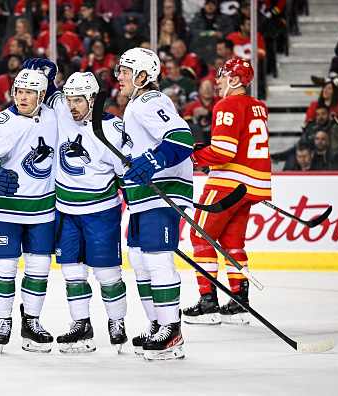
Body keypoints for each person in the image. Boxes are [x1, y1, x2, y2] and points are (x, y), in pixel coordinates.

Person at [26, 60, 129, 353]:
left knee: (108, 273)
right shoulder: (61, 109)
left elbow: (125, 175)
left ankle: (116, 321)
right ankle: (80, 324)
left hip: (101, 212)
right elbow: (44, 94)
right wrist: (41, 74)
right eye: (69, 99)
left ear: (93, 99)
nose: (72, 105)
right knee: (72, 271)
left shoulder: (112, 128)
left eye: (78, 100)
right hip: (66, 211)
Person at [115, 48, 194, 361]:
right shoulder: (136, 104)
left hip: (163, 191)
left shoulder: (150, 101)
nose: (118, 76)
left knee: (157, 258)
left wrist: (154, 159)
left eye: (125, 71)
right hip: (143, 195)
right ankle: (157, 323)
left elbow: (181, 138)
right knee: (139, 258)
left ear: (142, 76)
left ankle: (171, 331)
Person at [0, 68, 57, 354]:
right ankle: (2, 320)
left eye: (29, 92)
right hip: (4, 211)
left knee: (39, 269)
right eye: (19, 91)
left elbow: (73, 108)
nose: (22, 97)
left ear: (42, 95)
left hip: (43, 210)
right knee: (4, 269)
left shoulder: (53, 116)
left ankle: (31, 321)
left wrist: (53, 81)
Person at [185, 58, 271, 326]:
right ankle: (239, 303)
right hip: (251, 186)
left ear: (234, 80)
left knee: (199, 236)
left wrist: (196, 157)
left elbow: (223, 151)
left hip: (227, 186)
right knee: (233, 243)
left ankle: (208, 303)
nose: (218, 81)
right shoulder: (259, 107)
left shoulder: (227, 104)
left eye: (222, 76)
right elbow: (240, 149)